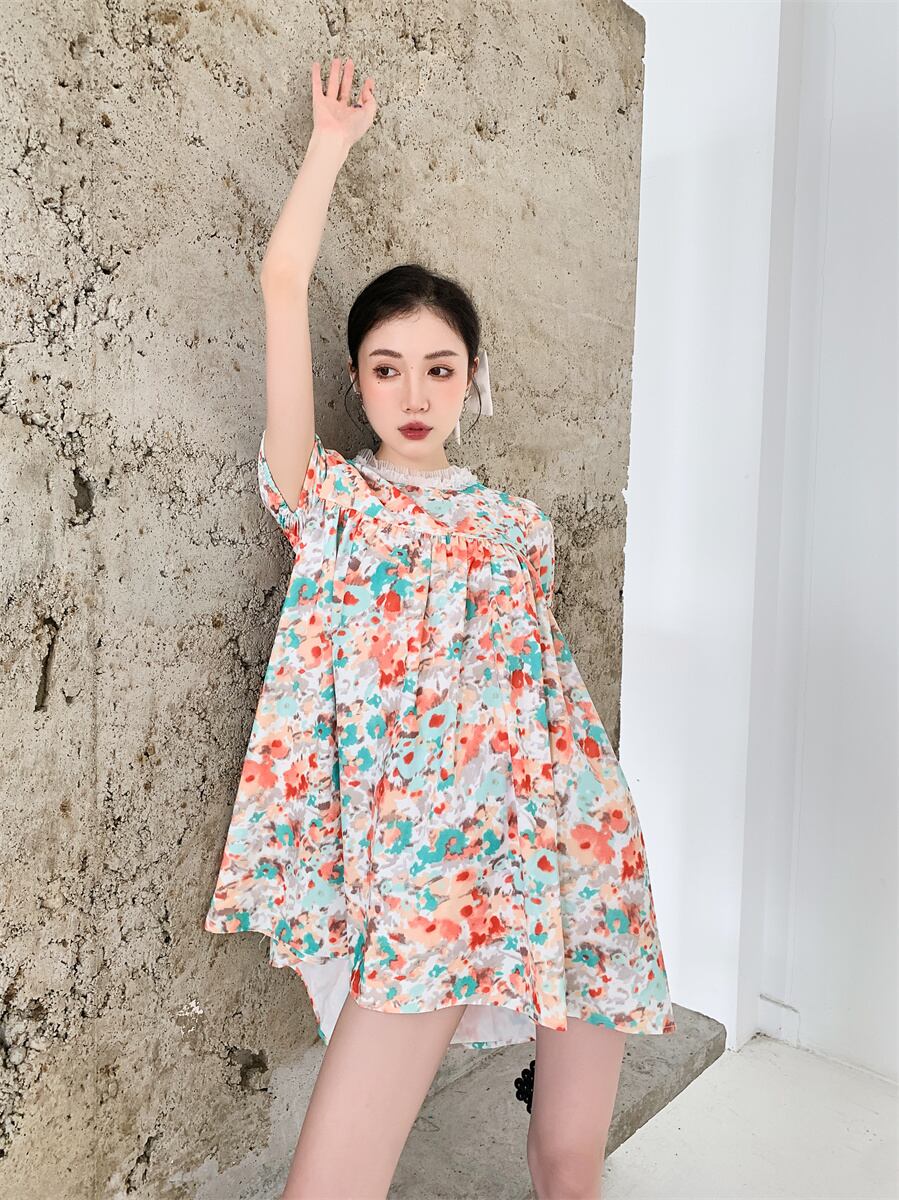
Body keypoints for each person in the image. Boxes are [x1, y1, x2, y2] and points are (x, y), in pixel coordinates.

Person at [204, 56, 676, 1200]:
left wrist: (587, 820)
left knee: (569, 1162)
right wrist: (329, 146)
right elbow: (280, 282)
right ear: (355, 382)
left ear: (470, 380)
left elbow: (546, 701)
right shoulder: (330, 503)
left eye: (437, 368)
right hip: (425, 869)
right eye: (386, 369)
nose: (413, 394)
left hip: (572, 842)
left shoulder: (517, 526)